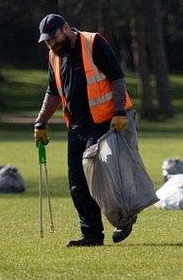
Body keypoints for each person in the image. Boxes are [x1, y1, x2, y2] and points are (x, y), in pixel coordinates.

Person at [32, 14, 135, 247]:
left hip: (104, 122)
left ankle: (124, 218)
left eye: (53, 38)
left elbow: (117, 78)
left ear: (66, 28)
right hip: (77, 126)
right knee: (77, 182)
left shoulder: (93, 43)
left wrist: (119, 111)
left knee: (101, 178)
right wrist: (40, 122)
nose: (51, 44)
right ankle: (91, 235)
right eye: (47, 41)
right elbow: (53, 93)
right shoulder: (54, 56)